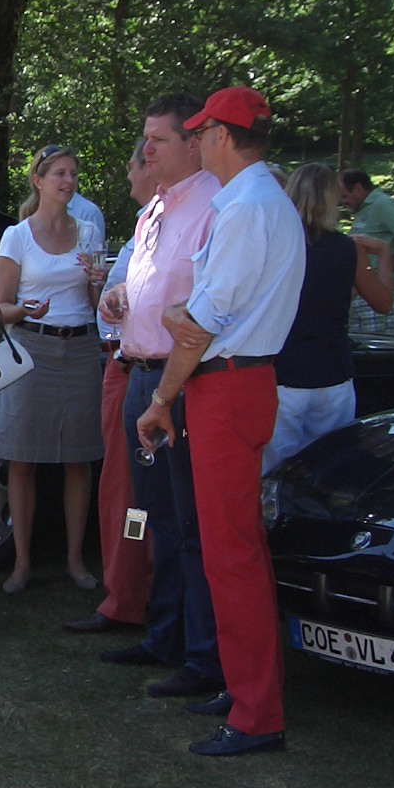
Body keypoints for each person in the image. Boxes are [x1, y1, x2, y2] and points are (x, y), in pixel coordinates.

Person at [136, 85, 305, 757]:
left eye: (204, 132)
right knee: (231, 548)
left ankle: (257, 713)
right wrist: (180, 324)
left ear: (224, 138)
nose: (199, 140)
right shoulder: (258, 201)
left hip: (228, 385)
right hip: (236, 382)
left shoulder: (245, 208)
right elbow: (197, 319)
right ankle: (243, 690)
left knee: (231, 553)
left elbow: (198, 324)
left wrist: (161, 398)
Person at [95, 93, 224, 702]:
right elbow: (142, 287)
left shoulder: (214, 207)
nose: (146, 149)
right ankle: (164, 635)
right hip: (138, 374)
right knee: (155, 516)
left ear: (194, 144)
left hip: (183, 382)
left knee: (191, 521)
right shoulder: (155, 209)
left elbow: (211, 308)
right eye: (145, 138)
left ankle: (203, 654)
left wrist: (167, 391)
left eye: (158, 139)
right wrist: (117, 298)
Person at [0, 144, 105, 594]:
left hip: (80, 349)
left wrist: (98, 283)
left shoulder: (90, 231)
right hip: (30, 349)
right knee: (22, 459)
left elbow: (100, 306)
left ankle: (75, 560)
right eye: (59, 173)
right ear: (38, 181)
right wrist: (26, 310)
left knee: (79, 458)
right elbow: (0, 307)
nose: (68, 181)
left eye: (73, 173)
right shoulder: (16, 236)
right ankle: (21, 563)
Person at [65, 140, 156, 635]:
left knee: (134, 492)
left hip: (143, 372)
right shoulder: (145, 227)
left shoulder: (181, 224)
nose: (128, 175)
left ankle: (136, 598)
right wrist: (109, 293)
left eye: (133, 165)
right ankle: (126, 593)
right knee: (123, 491)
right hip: (122, 367)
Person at [264, 162, 394, 472]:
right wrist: (385, 256)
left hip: (284, 374)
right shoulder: (348, 249)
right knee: (330, 469)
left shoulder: (274, 245)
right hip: (333, 373)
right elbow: (383, 302)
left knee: (275, 472)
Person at [340, 169, 394, 333]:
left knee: (379, 343)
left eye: (345, 196)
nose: (343, 202)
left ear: (358, 188)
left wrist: (385, 270)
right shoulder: (364, 209)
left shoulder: (383, 204)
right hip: (359, 290)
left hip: (379, 289)